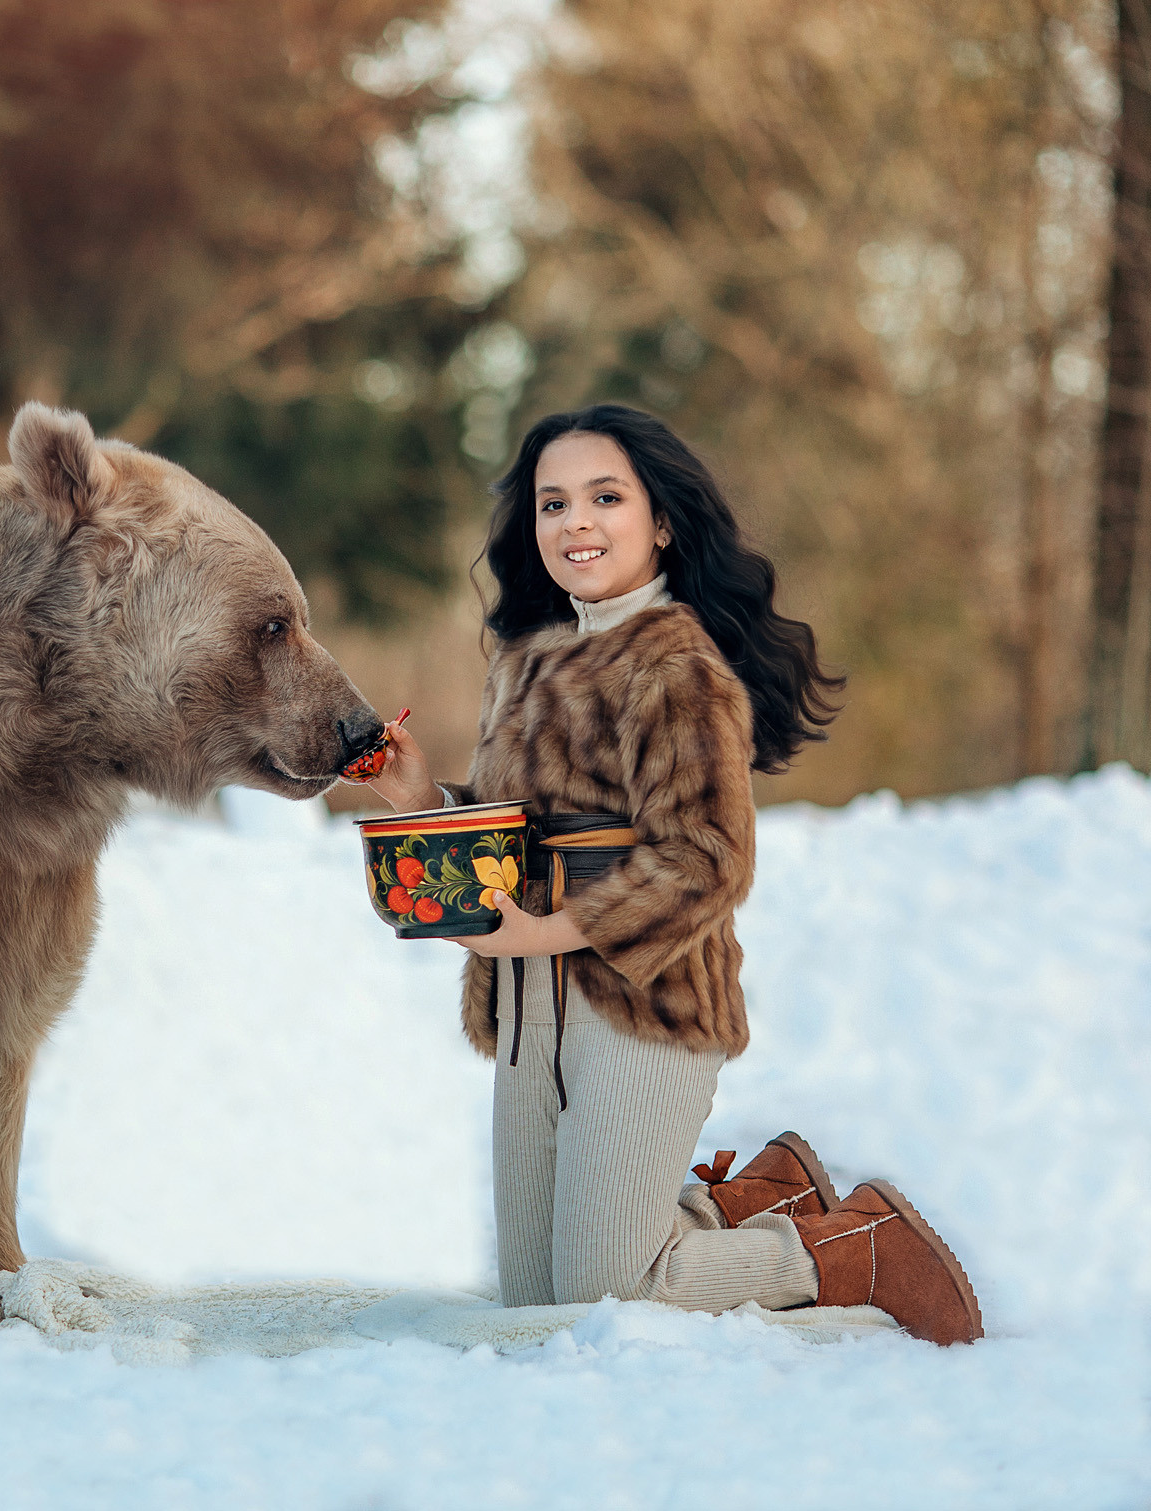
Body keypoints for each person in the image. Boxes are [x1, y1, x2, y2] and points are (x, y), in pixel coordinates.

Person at [364, 404, 983, 1345]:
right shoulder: (527, 662)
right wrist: (419, 795)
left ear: (660, 522)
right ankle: (747, 1201)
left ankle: (848, 1245)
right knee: (539, 1308)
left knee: (615, 1295)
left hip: (643, 1000)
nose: (575, 521)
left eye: (605, 497)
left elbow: (707, 856)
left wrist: (546, 930)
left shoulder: (677, 666)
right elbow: (515, 834)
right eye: (553, 501)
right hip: (532, 1005)